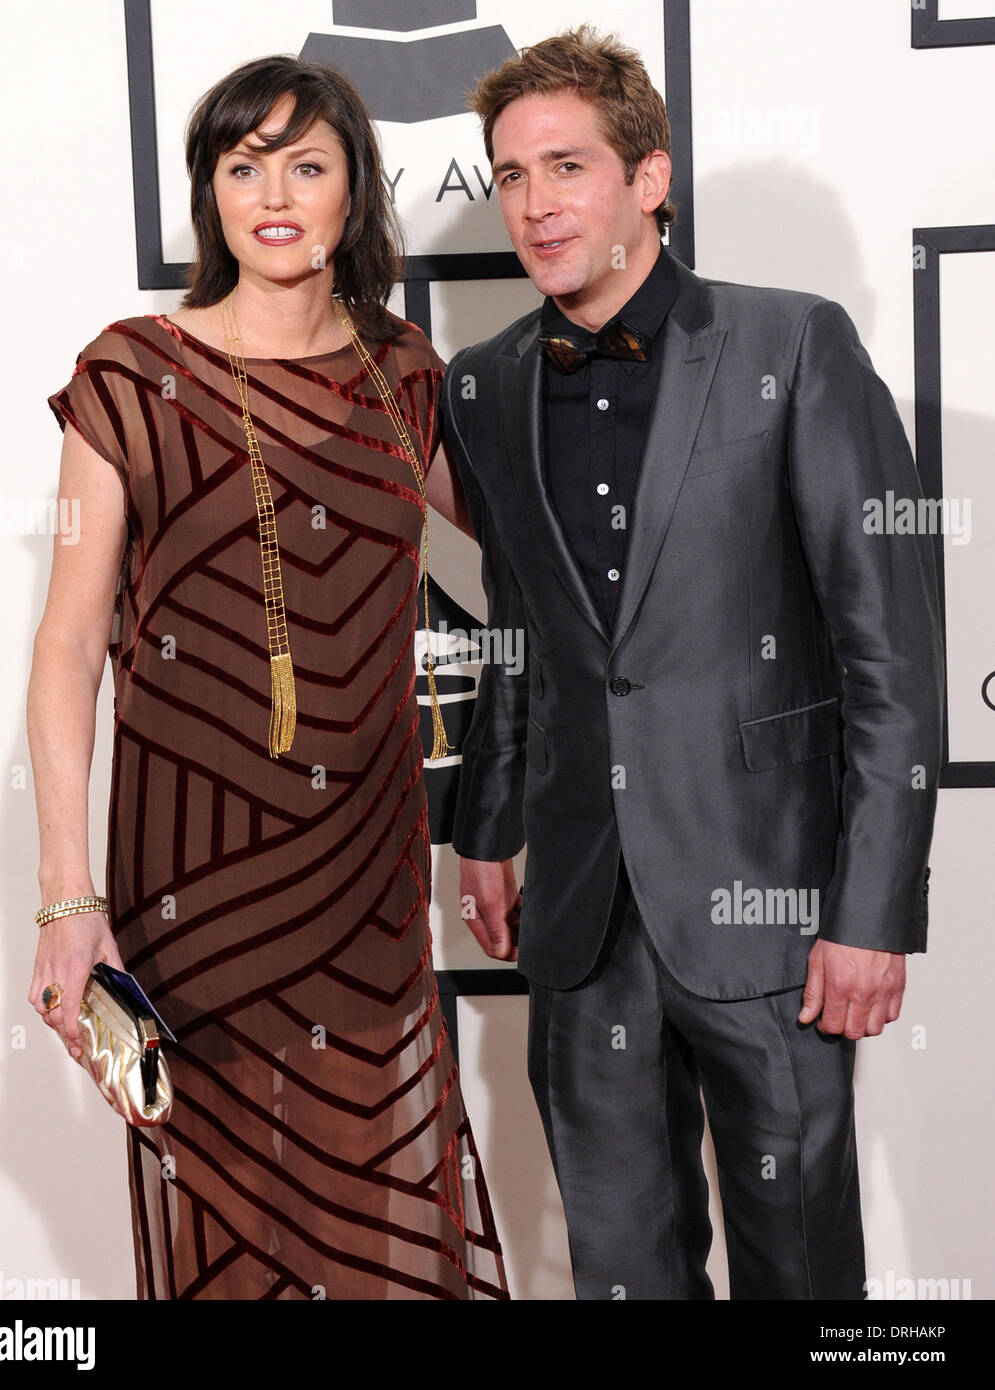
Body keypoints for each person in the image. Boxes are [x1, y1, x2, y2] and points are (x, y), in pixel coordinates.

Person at [444, 25, 943, 1299]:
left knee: (803, 1272)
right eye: (509, 175)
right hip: (580, 907)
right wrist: (489, 826)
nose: (536, 204)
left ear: (648, 178)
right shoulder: (485, 385)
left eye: (566, 166)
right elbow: (516, 628)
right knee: (619, 1266)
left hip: (773, 910)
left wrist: (870, 913)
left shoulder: (793, 347)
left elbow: (889, 654)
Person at [27, 54, 508, 1301]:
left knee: (374, 1206)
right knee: (226, 1224)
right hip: (196, 871)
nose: (275, 194)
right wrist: (67, 896)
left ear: (355, 191)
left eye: (307, 164)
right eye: (245, 167)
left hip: (365, 873)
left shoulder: (403, 376)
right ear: (211, 193)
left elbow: (534, 565)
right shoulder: (130, 377)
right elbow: (70, 642)